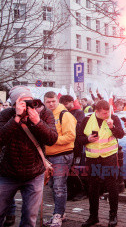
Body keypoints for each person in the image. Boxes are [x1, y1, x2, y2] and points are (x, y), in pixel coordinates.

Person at [0, 86, 58, 227]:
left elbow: (52, 139)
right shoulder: (6, 115)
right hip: (8, 173)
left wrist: (38, 122)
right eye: (22, 102)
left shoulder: (44, 113)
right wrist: (17, 118)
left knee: (30, 218)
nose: (27, 106)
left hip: (34, 174)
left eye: (30, 101)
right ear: (14, 104)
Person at [77, 100, 124, 227]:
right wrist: (88, 139)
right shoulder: (87, 119)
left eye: (108, 111)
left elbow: (121, 134)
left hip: (109, 158)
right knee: (93, 187)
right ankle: (93, 217)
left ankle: (113, 216)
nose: (106, 115)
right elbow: (79, 138)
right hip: (92, 158)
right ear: (96, 111)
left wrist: (112, 127)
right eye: (104, 113)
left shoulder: (113, 118)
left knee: (112, 186)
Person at [43, 92, 77, 227]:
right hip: (49, 156)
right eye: (48, 102)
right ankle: (61, 213)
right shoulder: (45, 115)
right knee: (53, 186)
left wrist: (52, 141)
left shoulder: (65, 115)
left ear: (57, 101)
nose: (51, 104)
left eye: (53, 101)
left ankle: (57, 215)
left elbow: (70, 136)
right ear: (44, 102)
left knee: (58, 187)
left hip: (62, 155)